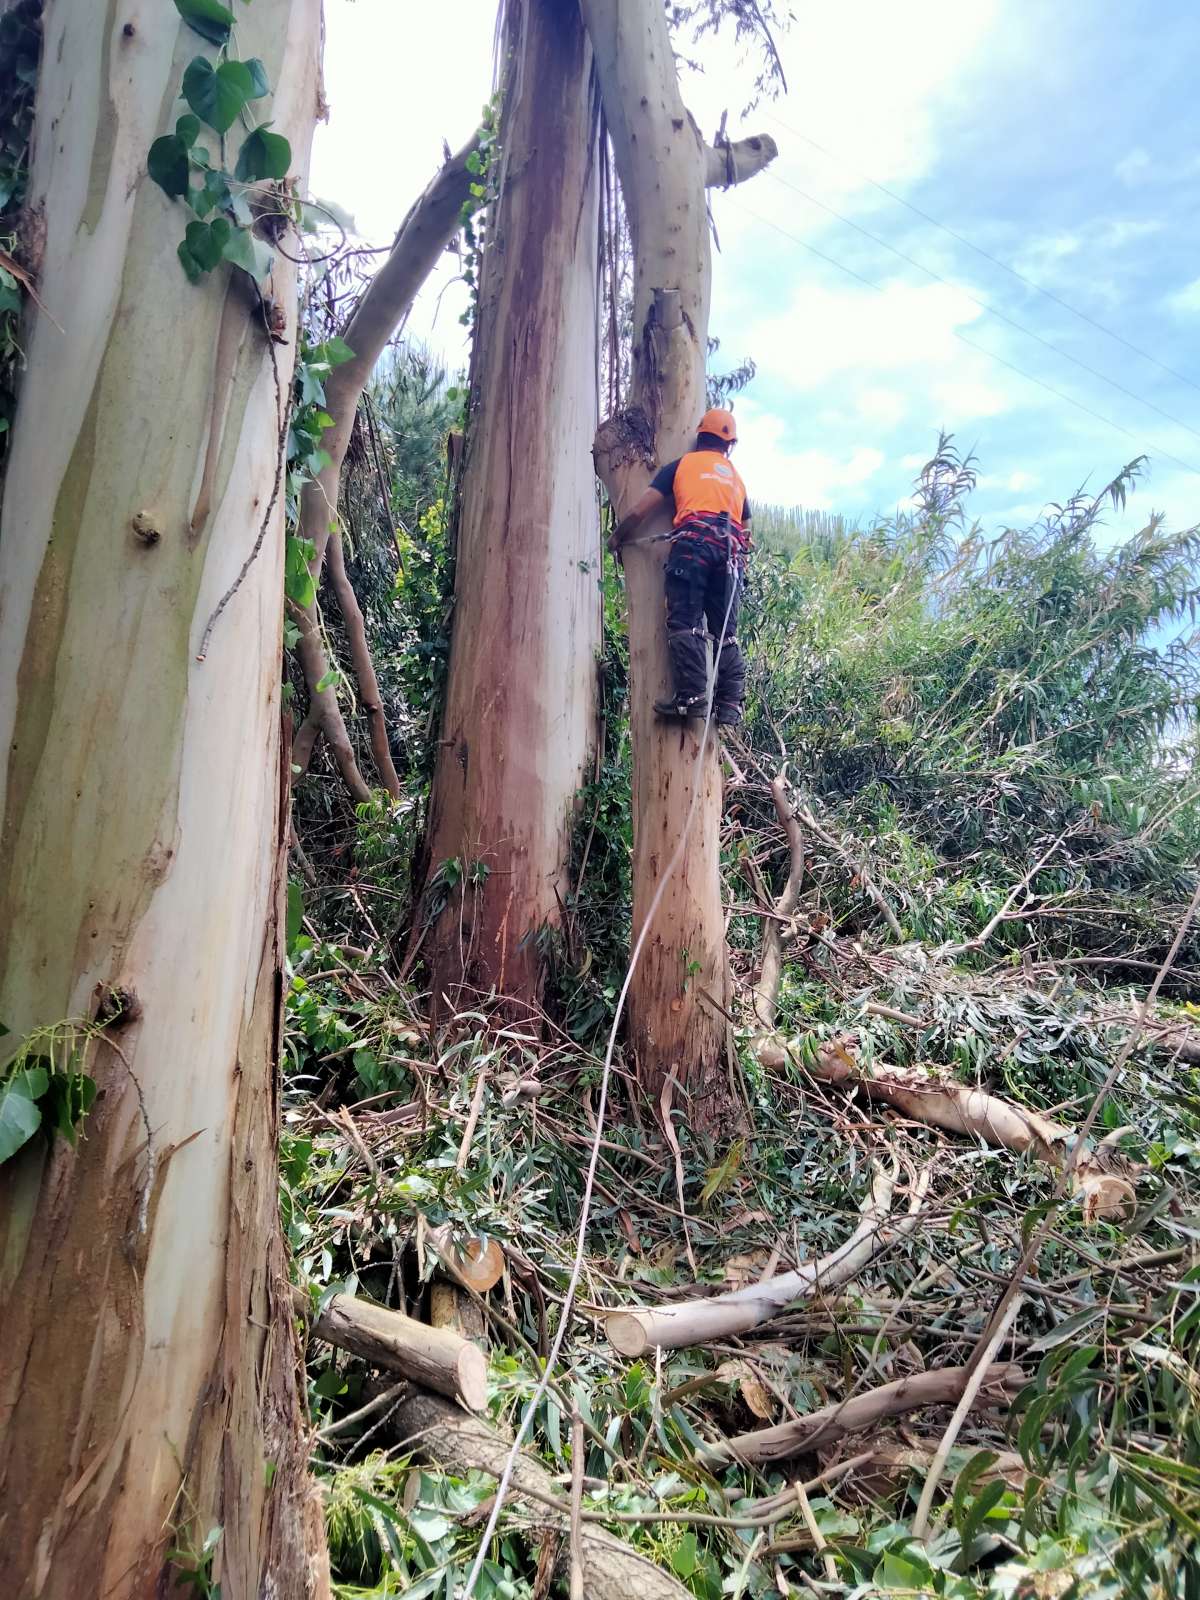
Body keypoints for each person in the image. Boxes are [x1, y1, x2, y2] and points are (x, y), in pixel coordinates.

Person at [607, 407, 752, 727]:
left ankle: (692, 697)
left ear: (700, 436)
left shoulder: (681, 466)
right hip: (730, 557)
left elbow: (639, 512)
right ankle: (729, 703)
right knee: (725, 633)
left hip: (694, 550)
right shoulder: (736, 479)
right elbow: (747, 530)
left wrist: (617, 537)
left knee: (685, 622)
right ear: (728, 445)